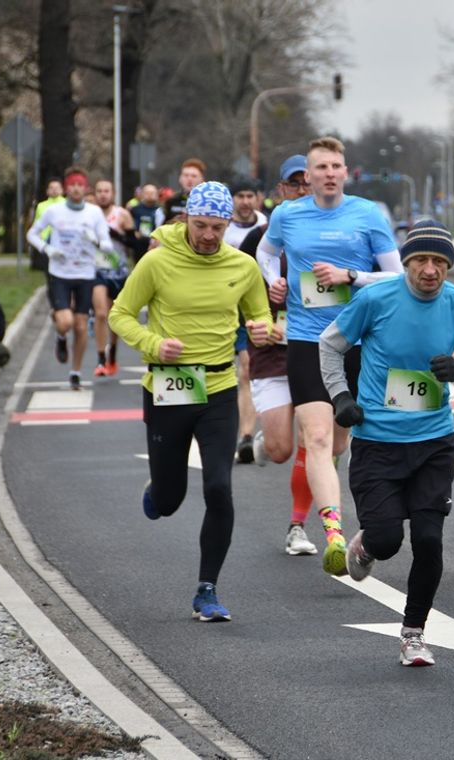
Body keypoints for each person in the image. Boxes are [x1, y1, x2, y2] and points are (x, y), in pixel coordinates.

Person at [319, 220, 454, 666]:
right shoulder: (375, 299)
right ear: (405, 263)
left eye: (440, 262)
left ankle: (414, 633)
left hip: (434, 444)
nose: (430, 269)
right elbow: (329, 344)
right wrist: (340, 396)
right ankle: (364, 545)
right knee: (386, 539)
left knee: (429, 539)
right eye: (421, 259)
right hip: (377, 443)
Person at [108, 181, 276, 622]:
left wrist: (262, 329)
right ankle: (159, 490)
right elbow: (119, 314)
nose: (208, 235)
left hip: (219, 388)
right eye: (201, 225)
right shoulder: (157, 262)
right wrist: (152, 343)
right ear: (185, 219)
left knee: (219, 487)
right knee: (169, 499)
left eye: (217, 227)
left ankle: (207, 589)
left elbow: (260, 314)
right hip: (169, 385)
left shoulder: (242, 265)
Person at [256, 136, 402, 576]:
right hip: (307, 340)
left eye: (336, 166)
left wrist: (350, 275)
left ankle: (335, 512)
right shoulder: (287, 215)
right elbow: (266, 252)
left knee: (341, 441)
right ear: (310, 175)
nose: (329, 174)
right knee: (316, 438)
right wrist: (273, 281)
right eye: (320, 168)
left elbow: (394, 276)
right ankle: (334, 535)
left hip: (359, 341)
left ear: (345, 171)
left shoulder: (367, 215)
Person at [240, 155, 318, 555]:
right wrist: (255, 322)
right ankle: (263, 442)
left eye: (309, 183)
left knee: (314, 439)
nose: (303, 190)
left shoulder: (333, 236)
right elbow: (238, 290)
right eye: (295, 184)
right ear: (281, 191)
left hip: (316, 349)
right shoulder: (261, 238)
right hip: (271, 351)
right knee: (280, 449)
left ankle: (297, 526)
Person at [26, 167, 114, 390]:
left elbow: (108, 245)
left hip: (85, 274)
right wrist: (47, 248)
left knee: (81, 326)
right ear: (66, 188)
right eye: (72, 184)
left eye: (80, 184)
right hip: (60, 273)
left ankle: (75, 372)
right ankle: (61, 336)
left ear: (85, 188)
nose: (76, 188)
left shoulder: (93, 213)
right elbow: (31, 234)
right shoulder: (54, 212)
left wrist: (94, 240)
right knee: (65, 322)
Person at [225, 177, 269, 463]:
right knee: (231, 372)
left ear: (258, 198)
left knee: (246, 369)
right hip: (223, 305)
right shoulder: (222, 227)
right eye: (239, 196)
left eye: (249, 195)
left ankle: (245, 436)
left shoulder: (266, 226)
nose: (244, 201)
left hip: (253, 308)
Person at [92, 178, 135, 378]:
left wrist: (116, 235)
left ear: (113, 193)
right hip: (96, 270)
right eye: (99, 190)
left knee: (114, 317)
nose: (103, 194)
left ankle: (113, 353)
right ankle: (101, 358)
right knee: (101, 314)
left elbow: (133, 243)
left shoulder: (122, 215)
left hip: (118, 271)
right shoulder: (89, 215)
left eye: (106, 190)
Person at [159, 157, 206, 227]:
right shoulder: (171, 201)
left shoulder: (206, 201)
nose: (189, 179)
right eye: (186, 175)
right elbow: (163, 228)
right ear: (180, 178)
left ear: (202, 179)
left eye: (194, 176)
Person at [130, 183, 162, 257]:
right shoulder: (134, 210)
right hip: (139, 245)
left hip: (156, 244)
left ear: (157, 195)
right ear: (142, 194)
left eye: (152, 193)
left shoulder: (161, 210)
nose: (150, 195)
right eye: (147, 193)